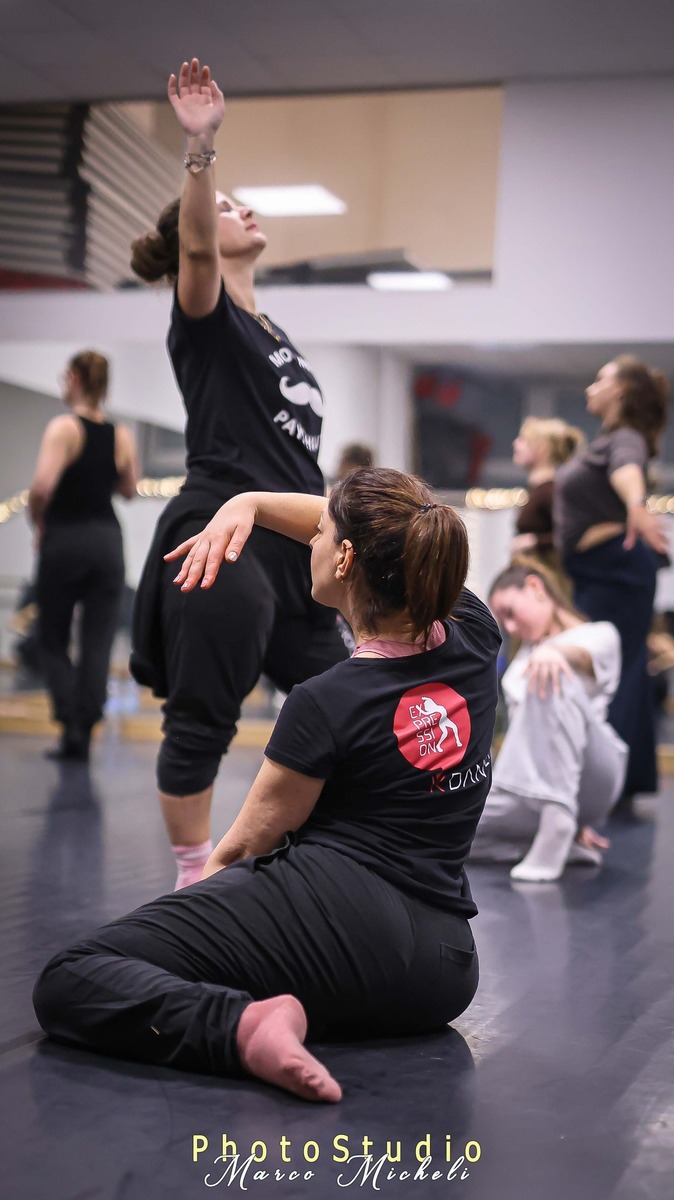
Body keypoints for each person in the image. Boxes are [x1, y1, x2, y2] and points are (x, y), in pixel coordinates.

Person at [33, 467, 500, 1104]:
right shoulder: (475, 634)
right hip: (443, 971)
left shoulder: (325, 700)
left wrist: (189, 929)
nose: (309, 539)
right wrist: (248, 503)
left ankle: (244, 1028)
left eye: (321, 533)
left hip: (344, 926)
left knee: (75, 976)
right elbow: (377, 531)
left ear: (345, 559)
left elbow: (239, 852)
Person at [129, 59, 348, 888]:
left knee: (343, 702)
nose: (241, 210)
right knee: (204, 716)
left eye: (239, 202)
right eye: (228, 207)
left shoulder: (275, 333)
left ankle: (326, 857)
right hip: (222, 531)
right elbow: (195, 243)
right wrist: (201, 146)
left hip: (294, 543)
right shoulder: (206, 318)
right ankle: (193, 878)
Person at [554, 356, 670, 800]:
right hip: (604, 570)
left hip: (615, 571)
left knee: (608, 671)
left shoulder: (624, 439)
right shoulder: (609, 440)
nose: (591, 386)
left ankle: (606, 783)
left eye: (600, 379)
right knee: (622, 668)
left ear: (620, 391)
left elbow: (627, 468)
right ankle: (624, 780)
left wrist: (637, 504)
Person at [472, 560, 627, 882]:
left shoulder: (599, 634)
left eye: (510, 612)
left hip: (591, 774)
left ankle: (558, 820)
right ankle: (558, 842)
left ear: (535, 587)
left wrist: (555, 652)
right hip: (528, 788)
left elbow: (582, 656)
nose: (511, 628)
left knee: (549, 673)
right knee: (445, 832)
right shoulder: (521, 662)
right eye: (503, 622)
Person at [28, 351, 138, 762]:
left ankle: (71, 723)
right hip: (107, 541)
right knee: (98, 640)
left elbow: (42, 486)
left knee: (51, 636)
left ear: (74, 378)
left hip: (66, 537)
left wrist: (39, 522)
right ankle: (86, 727)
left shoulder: (64, 428)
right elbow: (129, 488)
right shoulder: (120, 434)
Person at [511, 417, 584, 566]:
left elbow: (573, 532)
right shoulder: (540, 490)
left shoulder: (549, 491)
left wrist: (536, 541)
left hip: (549, 571)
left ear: (542, 449)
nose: (516, 443)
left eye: (524, 440)